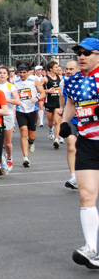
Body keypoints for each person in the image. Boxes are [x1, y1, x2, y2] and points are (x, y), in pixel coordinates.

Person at [59, 37, 99, 269]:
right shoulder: (72, 80)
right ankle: (92, 249)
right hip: (87, 142)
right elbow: (71, 105)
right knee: (86, 195)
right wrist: (66, 123)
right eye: (79, 52)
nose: (81, 56)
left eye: (87, 52)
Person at [13, 63, 45, 167]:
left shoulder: (33, 80)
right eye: (20, 73)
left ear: (28, 72)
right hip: (20, 110)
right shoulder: (14, 81)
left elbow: (43, 93)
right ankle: (25, 157)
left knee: (32, 136)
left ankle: (31, 142)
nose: (22, 75)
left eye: (24, 73)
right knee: (23, 132)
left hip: (32, 110)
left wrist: (37, 98)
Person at [59, 60, 80, 189]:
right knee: (71, 146)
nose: (68, 71)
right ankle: (73, 177)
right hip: (72, 119)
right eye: (67, 69)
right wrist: (61, 107)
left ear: (78, 70)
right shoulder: (64, 82)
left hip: (87, 119)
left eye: (71, 69)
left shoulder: (88, 81)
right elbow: (63, 96)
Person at [0, 66, 21, 174]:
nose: (2, 75)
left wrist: (5, 100)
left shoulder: (10, 86)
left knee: (7, 143)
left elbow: (17, 101)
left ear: (7, 75)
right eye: (0, 73)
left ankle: (9, 158)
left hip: (8, 114)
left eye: (4, 73)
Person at [41, 61, 63, 148]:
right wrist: (47, 91)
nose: (58, 69)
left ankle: (57, 139)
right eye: (56, 67)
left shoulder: (60, 78)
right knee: (51, 122)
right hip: (49, 102)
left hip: (58, 102)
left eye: (58, 67)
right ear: (51, 69)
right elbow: (39, 89)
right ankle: (50, 129)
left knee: (58, 121)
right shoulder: (45, 79)